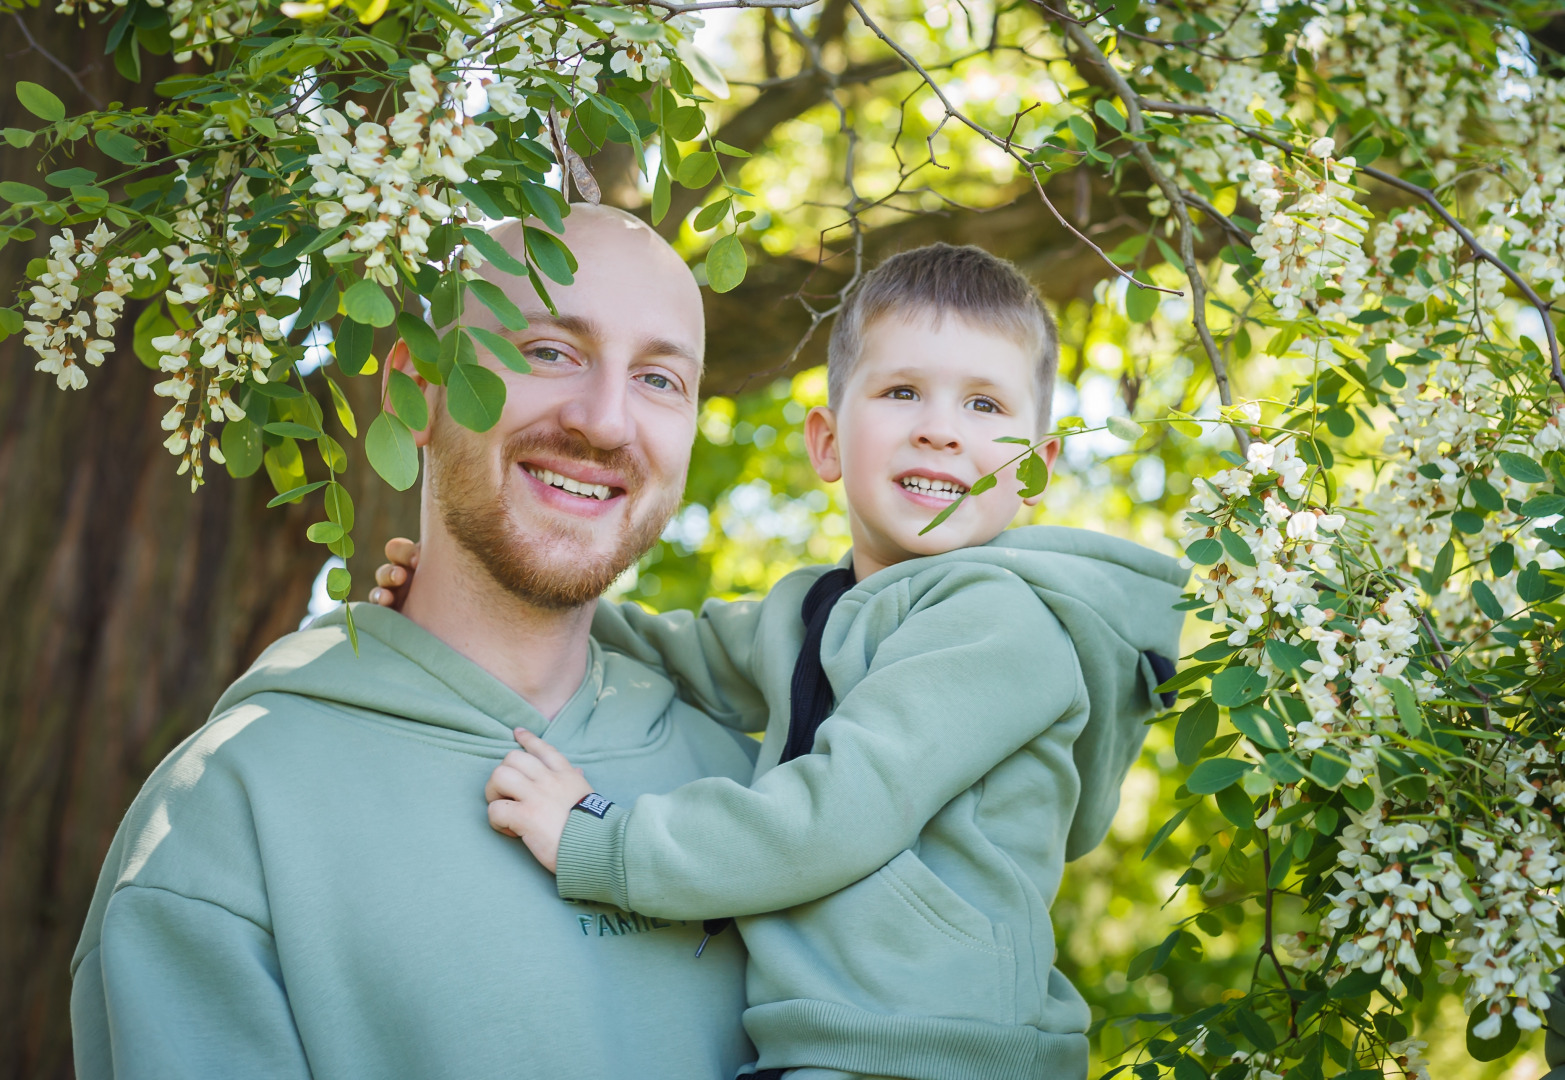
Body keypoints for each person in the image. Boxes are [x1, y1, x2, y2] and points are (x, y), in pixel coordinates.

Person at [374, 244, 1188, 1080]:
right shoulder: (813, 608)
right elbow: (673, 652)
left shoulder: (1001, 624)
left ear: (1035, 470)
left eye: (984, 404)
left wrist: (603, 842)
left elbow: (840, 811)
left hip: (942, 1052)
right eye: (902, 391)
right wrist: (472, 592)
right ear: (828, 443)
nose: (942, 428)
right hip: (824, 1042)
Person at [69, 206, 761, 1080]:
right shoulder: (227, 818)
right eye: (550, 351)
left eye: (661, 379)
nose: (607, 422)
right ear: (414, 392)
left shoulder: (762, 785)